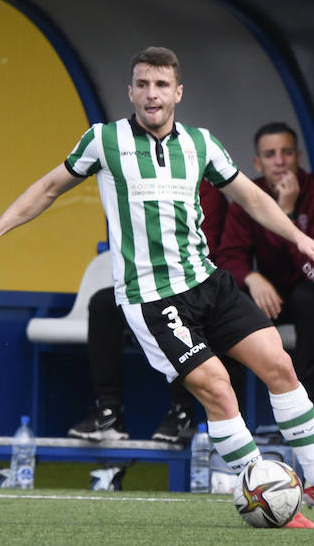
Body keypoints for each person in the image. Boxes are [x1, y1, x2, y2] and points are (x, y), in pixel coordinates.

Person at [0, 46, 314, 525]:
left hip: (208, 283)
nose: (151, 94)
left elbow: (248, 196)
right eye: (142, 84)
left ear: (178, 92)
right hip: (152, 298)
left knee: (280, 366)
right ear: (130, 91)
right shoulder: (104, 141)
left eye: (161, 85)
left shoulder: (200, 144)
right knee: (219, 389)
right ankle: (263, 494)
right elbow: (47, 188)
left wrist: (300, 237)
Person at [214, 122, 314, 424]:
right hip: (284, 295)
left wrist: (286, 215)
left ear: (299, 157)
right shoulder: (250, 196)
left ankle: (307, 421)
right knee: (226, 303)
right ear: (258, 163)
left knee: (308, 297)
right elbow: (228, 256)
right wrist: (251, 277)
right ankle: (230, 421)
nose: (279, 161)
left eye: (286, 152)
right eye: (270, 155)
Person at [68, 180, 227, 445]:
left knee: (170, 305)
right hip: (143, 283)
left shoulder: (204, 188)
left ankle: (182, 412)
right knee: (103, 303)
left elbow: (197, 248)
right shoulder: (134, 180)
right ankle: (109, 412)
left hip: (191, 286)